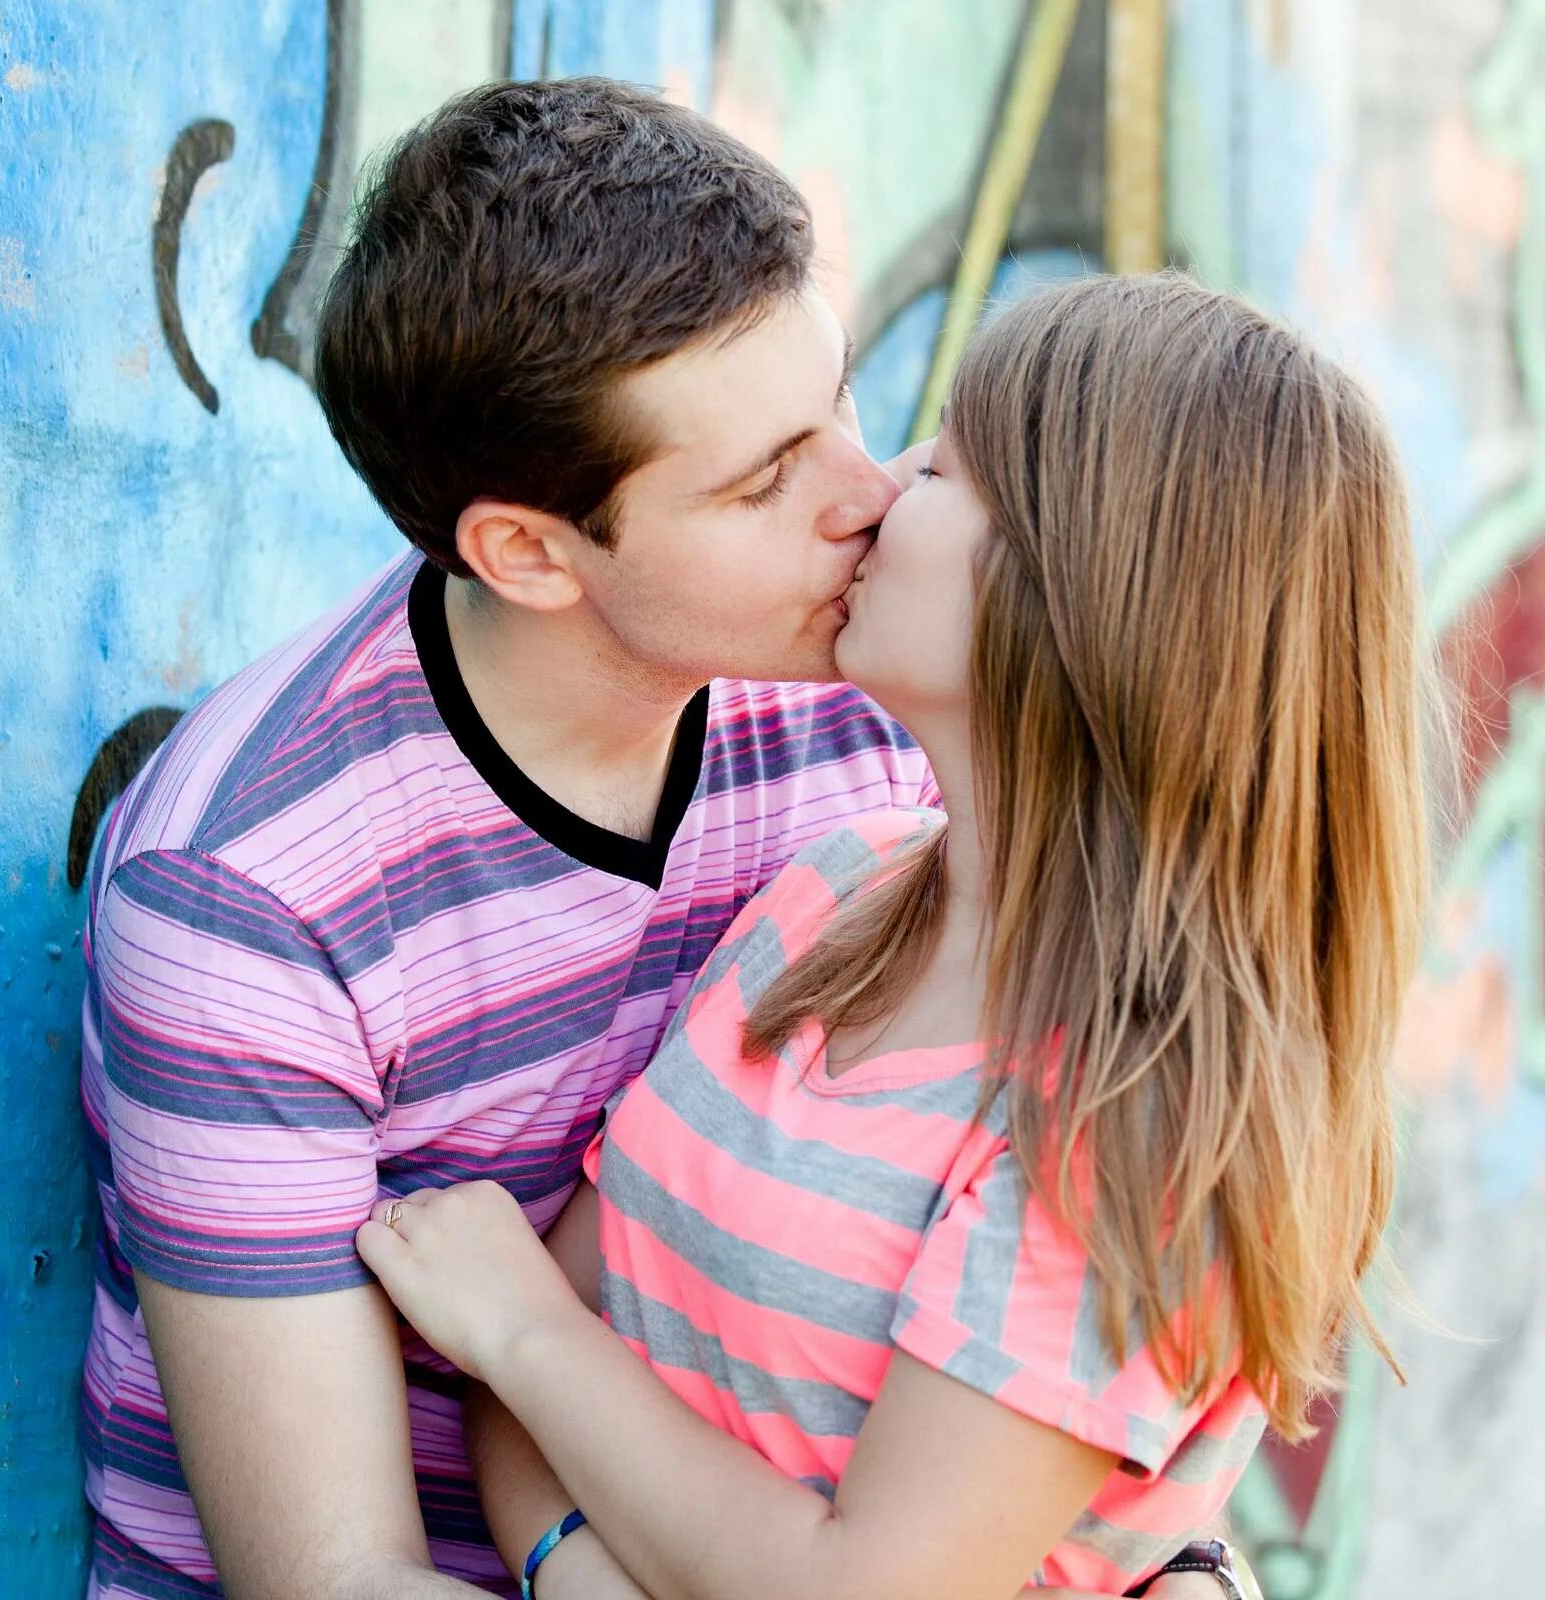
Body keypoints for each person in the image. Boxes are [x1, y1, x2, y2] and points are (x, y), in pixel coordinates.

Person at [79, 79, 1232, 1600]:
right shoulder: (250, 897)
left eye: (838, 411)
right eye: (766, 480)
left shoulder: (873, 713)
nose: (869, 498)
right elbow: (334, 1579)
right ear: (530, 554)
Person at [357, 273, 1429, 1599]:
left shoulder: (1130, 1129)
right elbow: (553, 1353)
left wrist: (521, 1336)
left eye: (946, 466)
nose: (878, 488)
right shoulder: (830, 896)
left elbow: (535, 1337)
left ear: (1076, 602)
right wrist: (572, 1554)